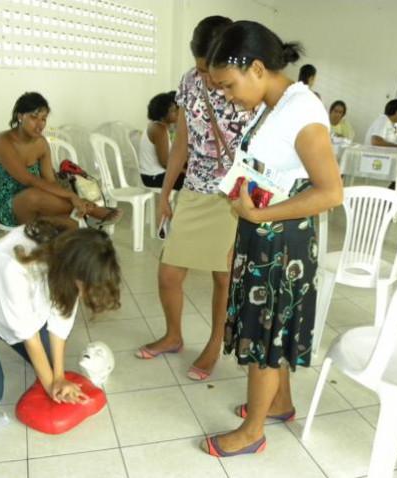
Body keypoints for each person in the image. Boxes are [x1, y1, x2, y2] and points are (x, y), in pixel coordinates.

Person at [202, 20, 343, 457]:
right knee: (272, 327)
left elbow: (330, 192)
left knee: (264, 332)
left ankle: (253, 432)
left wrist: (258, 215)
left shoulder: (302, 111)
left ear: (257, 68)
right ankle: (279, 402)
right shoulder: (273, 103)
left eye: (228, 85)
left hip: (283, 242)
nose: (226, 95)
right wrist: (245, 229)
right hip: (264, 234)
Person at [135, 16, 249, 381]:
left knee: (223, 276)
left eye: (208, 70)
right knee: (169, 272)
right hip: (196, 189)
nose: (203, 76)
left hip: (234, 194)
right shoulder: (189, 82)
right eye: (199, 67)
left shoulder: (247, 87)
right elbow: (182, 141)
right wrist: (166, 194)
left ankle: (215, 343)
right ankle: (173, 335)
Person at [0, 220, 121, 405]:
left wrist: (59, 376)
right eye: (85, 285)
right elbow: (31, 340)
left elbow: (60, 323)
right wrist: (52, 389)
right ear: (74, 270)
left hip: (11, 310)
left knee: (50, 364)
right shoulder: (15, 267)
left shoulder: (70, 259)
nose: (85, 293)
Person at [0, 92, 122, 230]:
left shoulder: (41, 143)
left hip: (39, 200)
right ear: (20, 116)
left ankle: (69, 218)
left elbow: (50, 181)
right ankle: (93, 211)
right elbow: (28, 179)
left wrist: (72, 198)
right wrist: (71, 196)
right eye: (34, 117)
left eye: (44, 119)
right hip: (9, 206)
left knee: (72, 225)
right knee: (34, 196)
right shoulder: (3, 142)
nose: (40, 125)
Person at [139, 91, 184, 190]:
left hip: (155, 175)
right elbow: (165, 163)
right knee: (195, 180)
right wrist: (184, 171)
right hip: (154, 178)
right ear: (163, 113)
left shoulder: (158, 126)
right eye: (174, 110)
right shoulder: (159, 129)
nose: (178, 112)